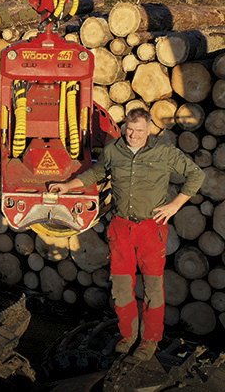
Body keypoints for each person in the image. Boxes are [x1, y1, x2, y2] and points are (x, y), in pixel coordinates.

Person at [49, 108, 204, 361]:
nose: (133, 135)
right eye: (130, 130)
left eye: (139, 131)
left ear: (149, 130)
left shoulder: (164, 152)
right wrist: (68, 185)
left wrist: (175, 205)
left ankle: (149, 340)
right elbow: (97, 173)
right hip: (121, 228)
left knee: (153, 287)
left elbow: (196, 175)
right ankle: (128, 335)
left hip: (151, 228)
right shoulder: (114, 150)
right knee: (121, 288)